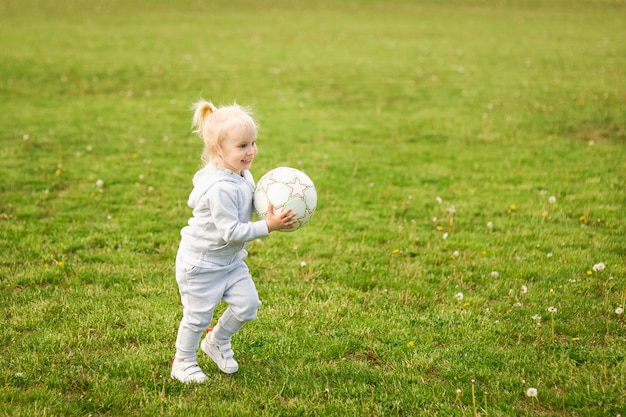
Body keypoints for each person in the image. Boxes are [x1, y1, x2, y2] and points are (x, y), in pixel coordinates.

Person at [171, 99, 296, 383]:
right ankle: (183, 361)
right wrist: (268, 225)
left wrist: (268, 206)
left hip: (229, 262)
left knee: (248, 305)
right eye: (242, 146)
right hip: (201, 265)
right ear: (218, 150)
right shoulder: (218, 188)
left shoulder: (242, 174)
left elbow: (245, 204)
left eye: (253, 143)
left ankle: (216, 341)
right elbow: (231, 231)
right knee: (197, 317)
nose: (251, 151)